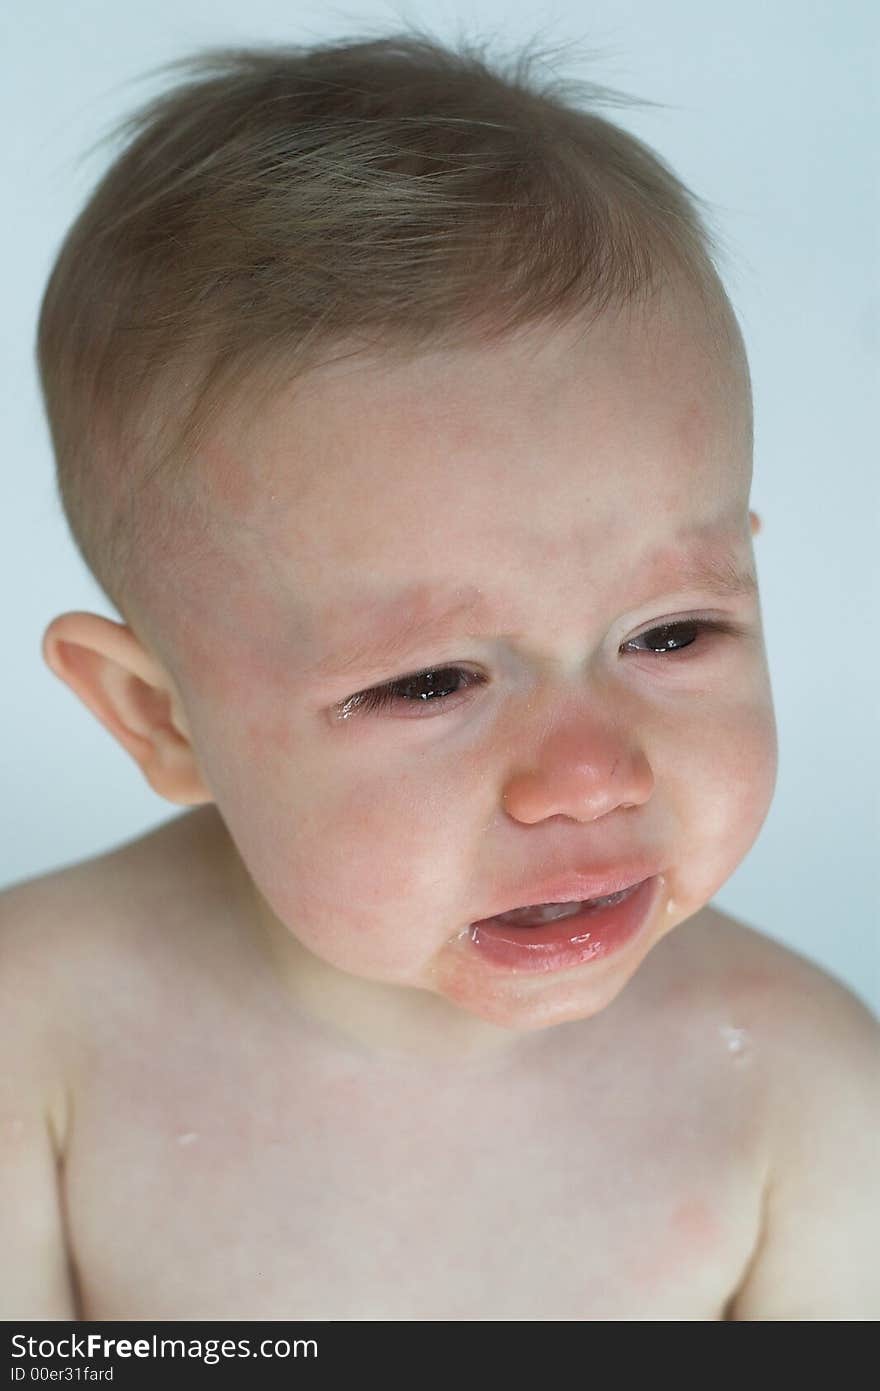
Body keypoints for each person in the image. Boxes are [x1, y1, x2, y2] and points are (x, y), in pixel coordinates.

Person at [4, 27, 876, 1320]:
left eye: (670, 634)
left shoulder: (801, 1099)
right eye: (430, 683)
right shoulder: (41, 1039)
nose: (589, 778)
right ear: (157, 714)